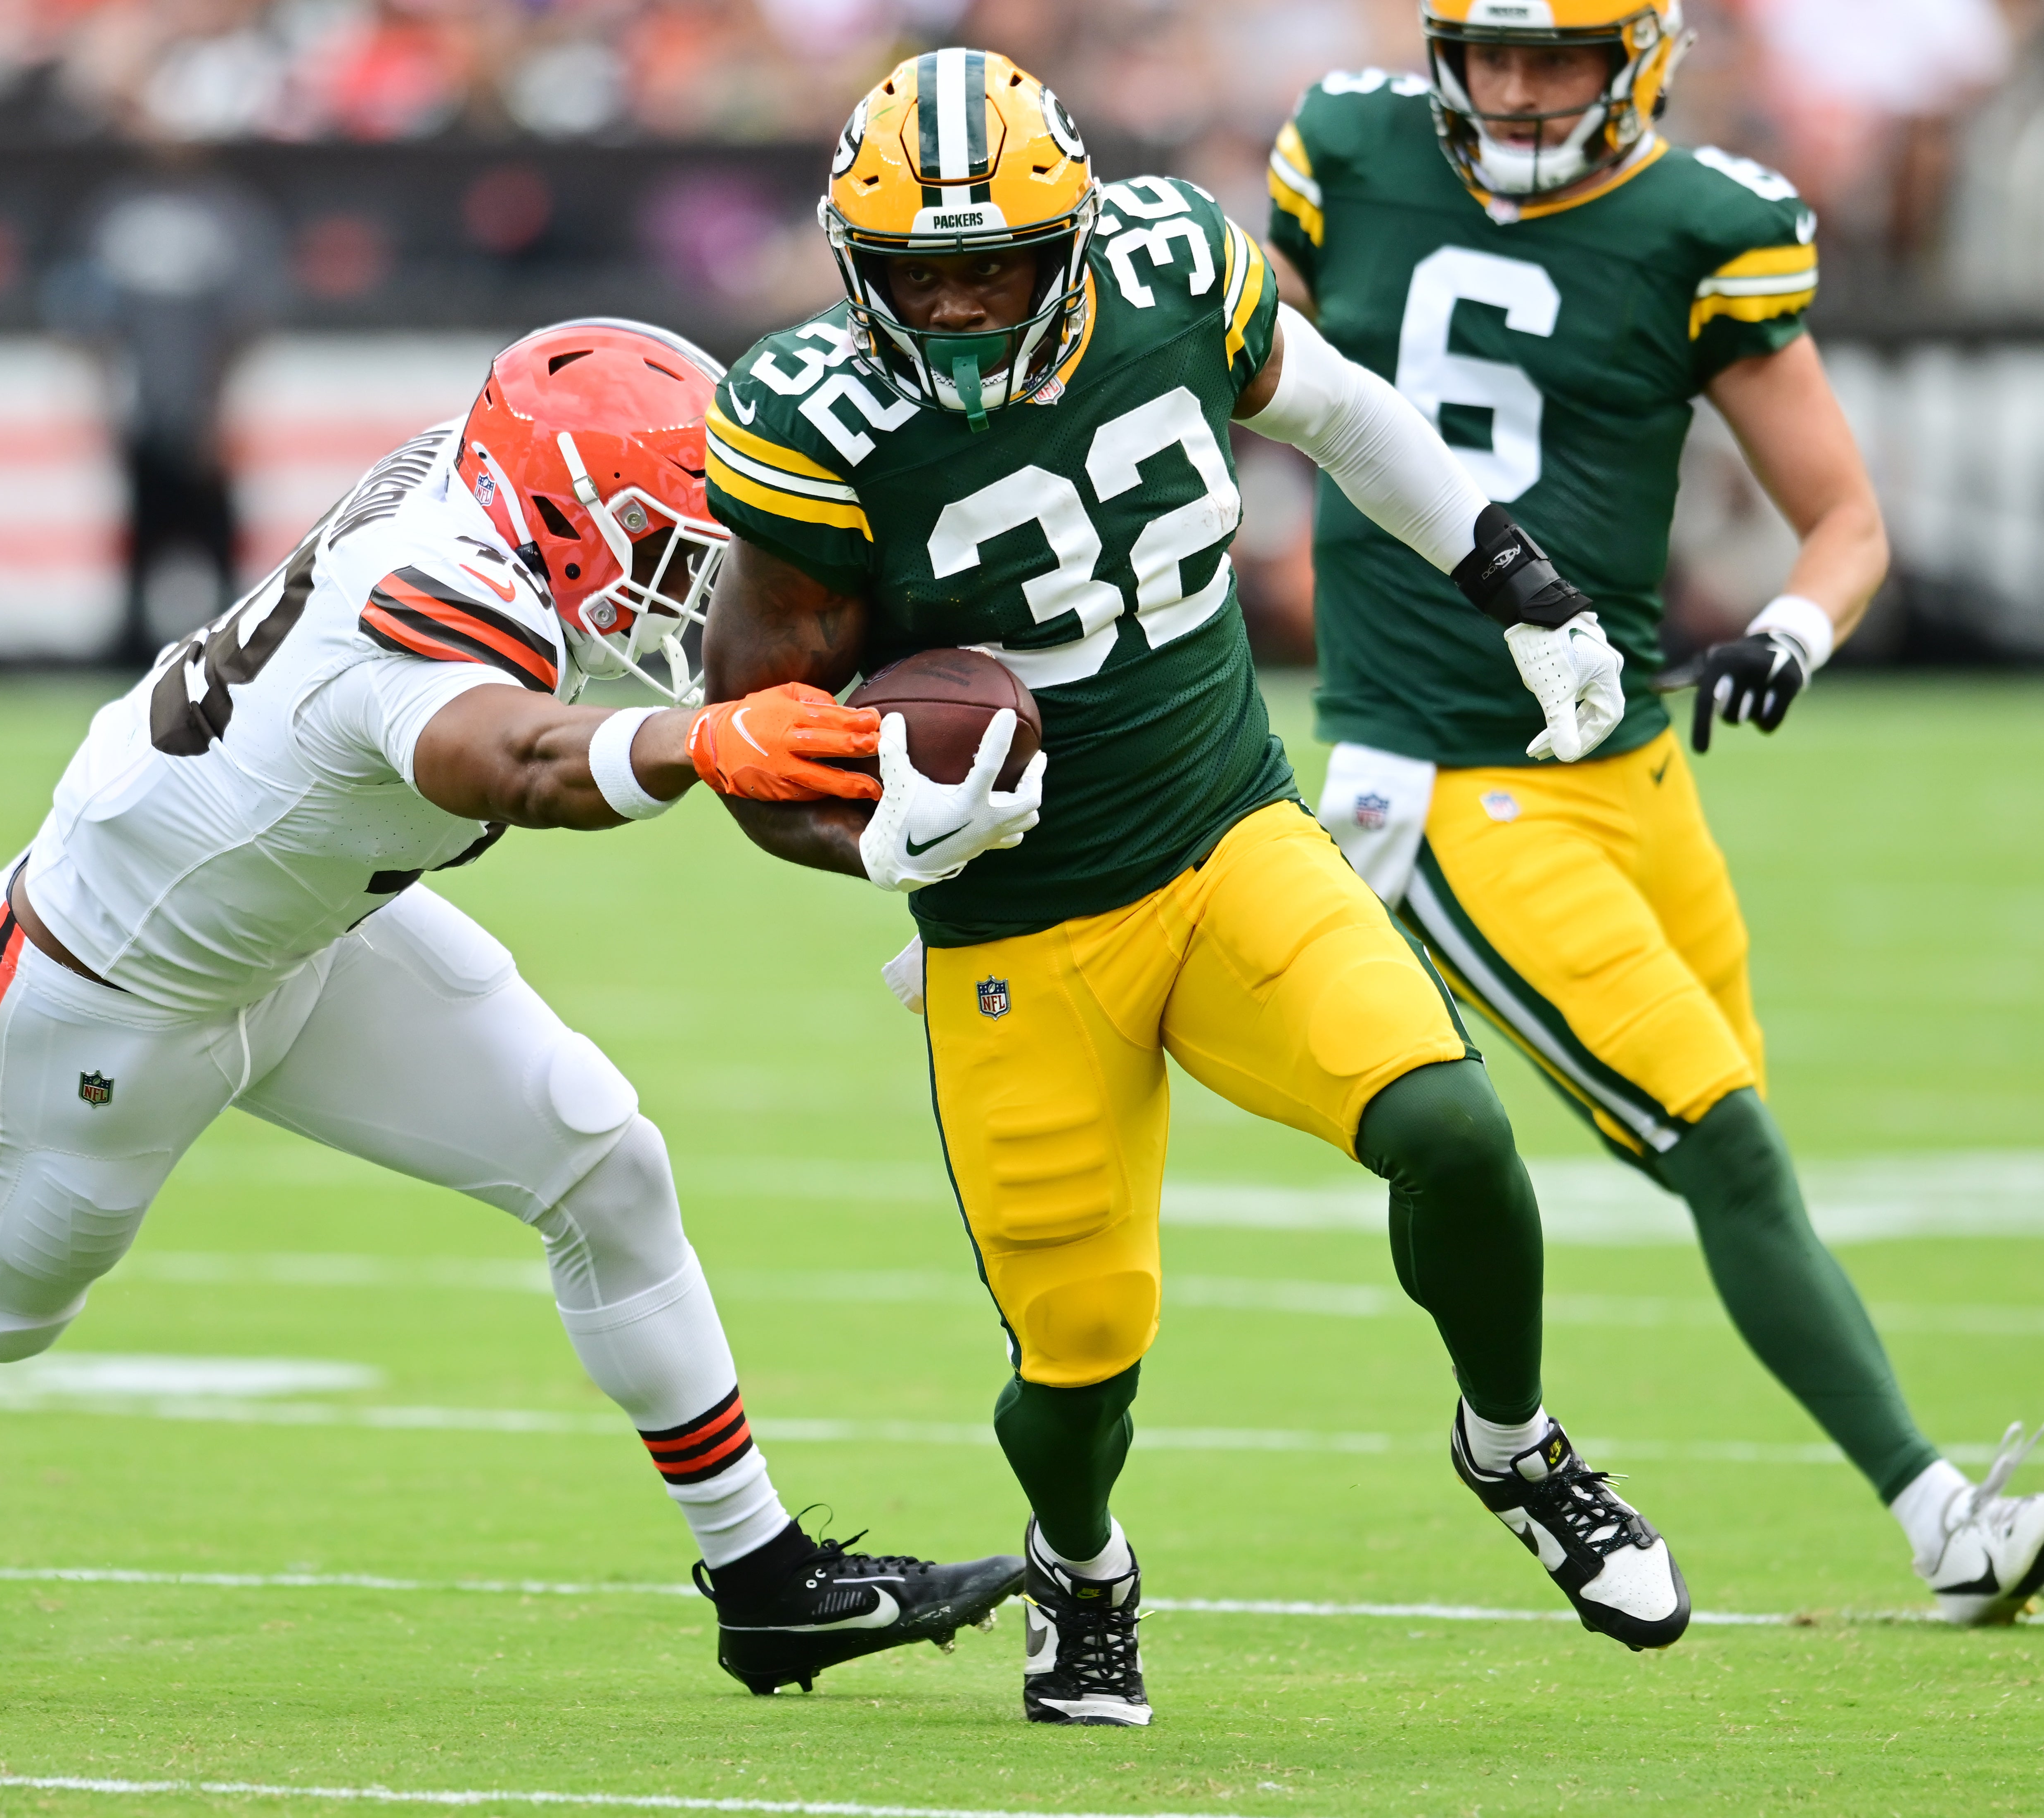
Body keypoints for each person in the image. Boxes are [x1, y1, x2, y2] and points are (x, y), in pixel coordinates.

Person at [0, 318, 1021, 1697]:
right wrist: (690, 744)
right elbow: (499, 757)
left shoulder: (484, 496)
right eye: (678, 542)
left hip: (294, 932)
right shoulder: (432, 590)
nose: (699, 583)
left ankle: (766, 1581)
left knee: (601, 1161)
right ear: (572, 509)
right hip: (98, 993)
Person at [697, 48, 1684, 1730]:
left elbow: (1348, 415)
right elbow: (754, 736)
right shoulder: (806, 416)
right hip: (1017, 930)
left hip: (1225, 833)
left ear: (1071, 243)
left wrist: (1516, 582)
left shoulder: (1172, 271)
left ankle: (1513, 1448)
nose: (946, 307)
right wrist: (875, 844)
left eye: (988, 266)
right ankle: (1078, 1570)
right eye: (911, 273)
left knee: (1448, 1128)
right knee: (1073, 1368)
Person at [1265, 0, 2043, 1626]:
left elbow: (1840, 522)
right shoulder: (1343, 149)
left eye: (1561, 57)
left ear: (1642, 61)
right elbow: (1238, 377)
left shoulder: (1703, 225)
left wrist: (1787, 628)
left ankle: (1932, 1523)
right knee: (1723, 1140)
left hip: (1624, 763)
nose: (1522, 88)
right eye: (1490, 51)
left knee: (1728, 1156)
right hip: (1442, 776)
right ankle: (1938, 1522)